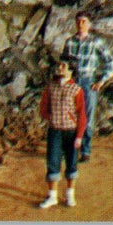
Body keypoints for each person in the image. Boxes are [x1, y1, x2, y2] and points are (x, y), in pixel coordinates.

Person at [63, 11, 113, 161]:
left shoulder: (95, 42)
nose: (81, 25)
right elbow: (64, 64)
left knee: (87, 116)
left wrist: (101, 81)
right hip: (72, 82)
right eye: (78, 21)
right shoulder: (69, 42)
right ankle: (69, 148)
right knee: (69, 115)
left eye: (84, 22)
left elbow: (111, 62)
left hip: (88, 82)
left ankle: (85, 150)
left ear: (89, 24)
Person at [38, 57, 87, 209]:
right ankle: (52, 196)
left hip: (71, 132)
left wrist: (79, 136)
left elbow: (82, 114)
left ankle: (69, 195)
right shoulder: (50, 87)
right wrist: (51, 117)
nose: (60, 68)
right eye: (59, 66)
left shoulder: (77, 90)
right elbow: (43, 108)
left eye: (63, 66)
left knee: (71, 163)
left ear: (71, 70)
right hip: (55, 131)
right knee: (53, 162)